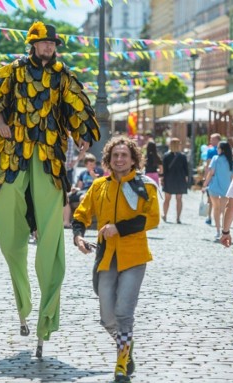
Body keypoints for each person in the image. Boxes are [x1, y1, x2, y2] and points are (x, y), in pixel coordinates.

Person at [0, 21, 100, 358]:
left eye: (52, 43)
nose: (49, 47)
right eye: (44, 43)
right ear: (33, 45)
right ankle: (22, 302)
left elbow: (77, 106)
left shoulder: (62, 75)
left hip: (47, 156)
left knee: (51, 234)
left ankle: (46, 315)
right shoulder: (14, 71)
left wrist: (82, 132)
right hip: (12, 154)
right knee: (7, 222)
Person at [72, 136, 159, 383]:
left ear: (133, 160)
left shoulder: (146, 186)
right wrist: (78, 237)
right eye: (115, 156)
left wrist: (118, 228)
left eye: (124, 155)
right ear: (108, 159)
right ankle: (126, 347)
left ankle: (121, 365)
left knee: (123, 313)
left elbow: (151, 218)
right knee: (107, 317)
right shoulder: (99, 185)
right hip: (106, 257)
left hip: (134, 256)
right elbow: (81, 214)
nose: (119, 159)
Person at [202, 141, 233, 240]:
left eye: (218, 148)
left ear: (222, 149)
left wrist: (204, 184)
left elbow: (211, 173)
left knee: (216, 208)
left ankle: (217, 231)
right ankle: (225, 230)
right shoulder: (232, 161)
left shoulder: (215, 159)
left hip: (214, 187)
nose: (217, 149)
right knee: (223, 210)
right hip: (226, 188)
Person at [63, 153, 102, 228]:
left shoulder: (98, 171)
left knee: (83, 197)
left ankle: (84, 222)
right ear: (86, 165)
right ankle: (66, 222)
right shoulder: (83, 173)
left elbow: (100, 184)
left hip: (92, 191)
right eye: (90, 165)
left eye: (93, 164)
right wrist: (75, 189)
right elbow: (80, 187)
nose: (93, 166)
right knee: (65, 197)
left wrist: (94, 177)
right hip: (83, 191)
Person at [161, 137, 188, 223]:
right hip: (180, 179)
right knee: (179, 199)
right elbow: (186, 169)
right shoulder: (183, 156)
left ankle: (165, 215)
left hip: (169, 178)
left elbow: (164, 169)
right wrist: (186, 179)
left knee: (167, 199)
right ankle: (178, 218)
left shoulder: (166, 156)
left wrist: (162, 179)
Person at [203, 133, 221, 225]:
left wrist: (205, 179)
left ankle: (210, 216)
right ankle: (212, 217)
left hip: (213, 178)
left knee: (210, 199)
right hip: (221, 179)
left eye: (212, 139)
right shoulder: (225, 150)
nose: (210, 141)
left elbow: (208, 166)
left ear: (218, 140)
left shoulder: (210, 151)